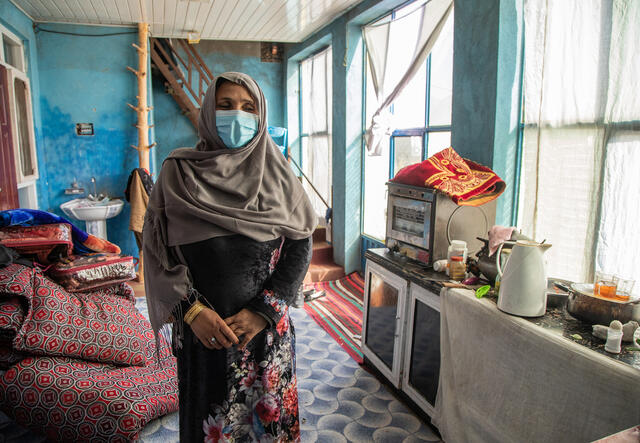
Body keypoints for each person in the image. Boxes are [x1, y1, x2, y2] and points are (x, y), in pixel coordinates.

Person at [143, 72, 317, 442]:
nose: (237, 115)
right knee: (211, 427)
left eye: (248, 107)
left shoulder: (280, 174)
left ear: (261, 116)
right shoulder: (178, 173)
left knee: (265, 427)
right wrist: (190, 311)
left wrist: (264, 311)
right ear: (208, 111)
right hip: (203, 334)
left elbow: (300, 245)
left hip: (264, 335)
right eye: (225, 106)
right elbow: (158, 251)